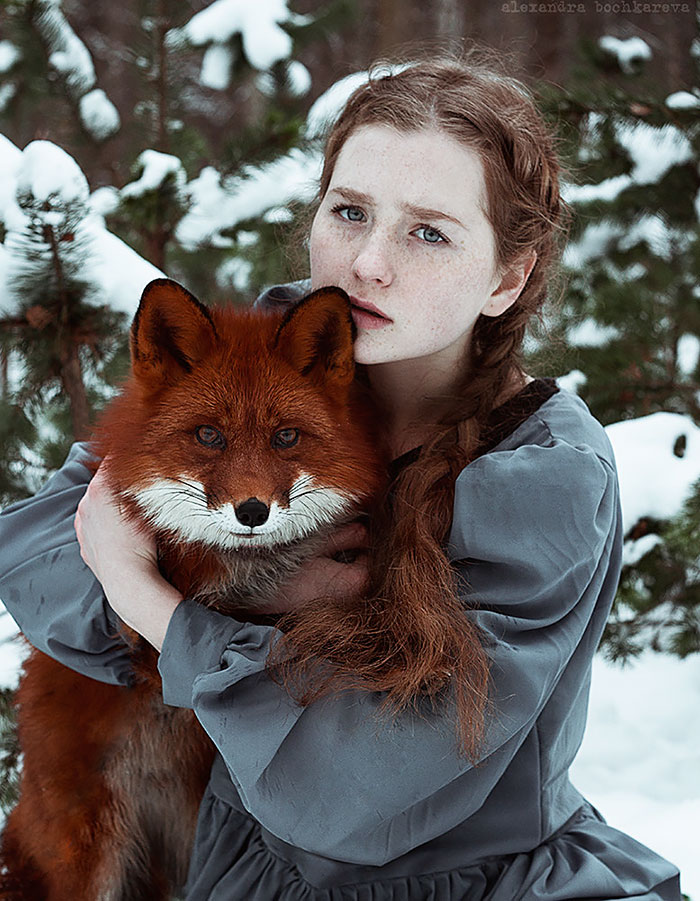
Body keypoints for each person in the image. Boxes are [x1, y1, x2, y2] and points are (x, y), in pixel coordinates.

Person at [0, 53, 682, 900]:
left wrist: (149, 595)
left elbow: (350, 794)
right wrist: (238, 592)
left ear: (508, 276)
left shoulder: (541, 476)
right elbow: (32, 552)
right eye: (350, 211)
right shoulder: (275, 351)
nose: (368, 264)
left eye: (428, 231)